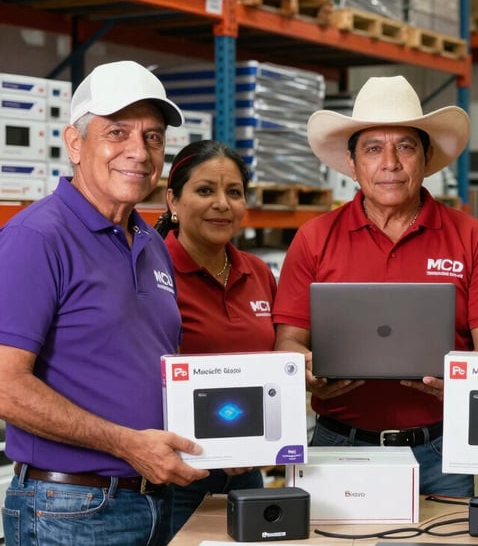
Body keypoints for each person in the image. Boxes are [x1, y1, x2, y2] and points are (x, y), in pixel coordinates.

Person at [0, 60, 209, 545]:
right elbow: (6, 387)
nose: (139, 152)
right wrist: (127, 445)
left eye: (153, 137)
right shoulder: (36, 238)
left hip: (154, 498)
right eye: (117, 132)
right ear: (75, 143)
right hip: (71, 511)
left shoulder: (151, 242)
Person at [272, 75, 478, 496]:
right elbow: (288, 342)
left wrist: (463, 380)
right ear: (352, 163)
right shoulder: (313, 238)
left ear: (426, 156)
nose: (390, 163)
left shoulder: (470, 236)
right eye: (373, 148)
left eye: (405, 146)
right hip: (337, 446)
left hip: (440, 450)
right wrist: (305, 371)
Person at [154, 139, 278, 536]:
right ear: (173, 201)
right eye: (205, 190)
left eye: (234, 192)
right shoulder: (150, 273)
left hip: (246, 472)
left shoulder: (258, 273)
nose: (222, 204)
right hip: (177, 476)